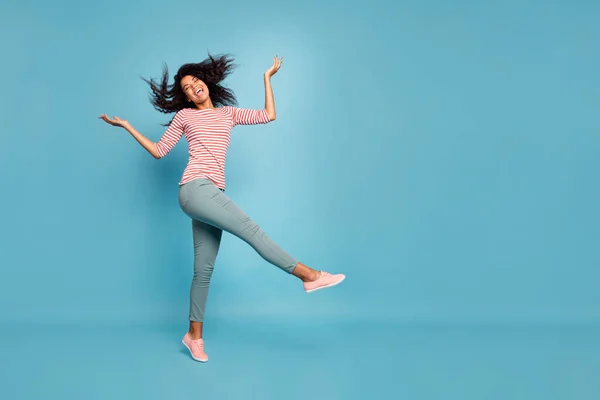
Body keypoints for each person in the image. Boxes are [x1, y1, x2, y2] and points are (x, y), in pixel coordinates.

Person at [99, 53, 345, 363]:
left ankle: (193, 336)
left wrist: (267, 79)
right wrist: (126, 126)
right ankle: (308, 275)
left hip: (209, 194)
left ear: (205, 82)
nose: (193, 88)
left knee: (203, 271)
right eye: (186, 88)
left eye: (195, 81)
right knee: (252, 231)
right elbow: (160, 151)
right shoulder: (185, 118)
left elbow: (269, 115)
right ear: (185, 96)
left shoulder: (227, 114)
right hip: (195, 188)